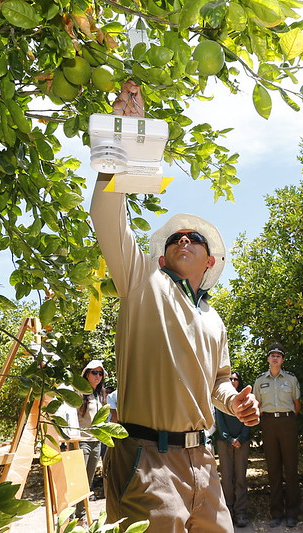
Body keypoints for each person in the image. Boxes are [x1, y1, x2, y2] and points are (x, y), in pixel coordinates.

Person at [91, 81, 260, 533]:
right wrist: (122, 138)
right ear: (163, 256)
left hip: (204, 461)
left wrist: (236, 404)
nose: (184, 239)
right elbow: (106, 216)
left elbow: (220, 384)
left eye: (196, 238)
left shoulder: (213, 318)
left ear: (210, 261)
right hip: (146, 459)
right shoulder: (142, 278)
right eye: (174, 239)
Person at [253, 342, 301, 528]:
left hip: (287, 423)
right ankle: (276, 513)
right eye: (272, 355)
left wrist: (285, 417)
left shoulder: (290, 379)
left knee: (290, 468)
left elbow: (297, 405)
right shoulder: (259, 381)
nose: (275, 358)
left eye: (278, 356)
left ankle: (292, 513)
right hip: (268, 424)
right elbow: (257, 404)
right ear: (267, 359)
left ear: (282, 360)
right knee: (273, 469)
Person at [215, 371, 251, 528]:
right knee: (227, 477)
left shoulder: (245, 399)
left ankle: (240, 512)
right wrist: (229, 439)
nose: (233, 381)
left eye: (236, 379)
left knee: (241, 478)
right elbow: (220, 422)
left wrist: (240, 439)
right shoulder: (222, 402)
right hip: (224, 443)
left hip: (242, 443)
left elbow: (249, 422)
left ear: (239, 381)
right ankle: (228, 510)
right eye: (230, 379)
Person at [76, 360, 108, 518]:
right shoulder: (79, 393)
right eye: (94, 372)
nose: (97, 376)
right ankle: (77, 515)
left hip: (97, 442)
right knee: (78, 480)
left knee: (88, 480)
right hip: (82, 441)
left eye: (100, 373)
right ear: (86, 374)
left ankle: (81, 513)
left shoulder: (101, 394)